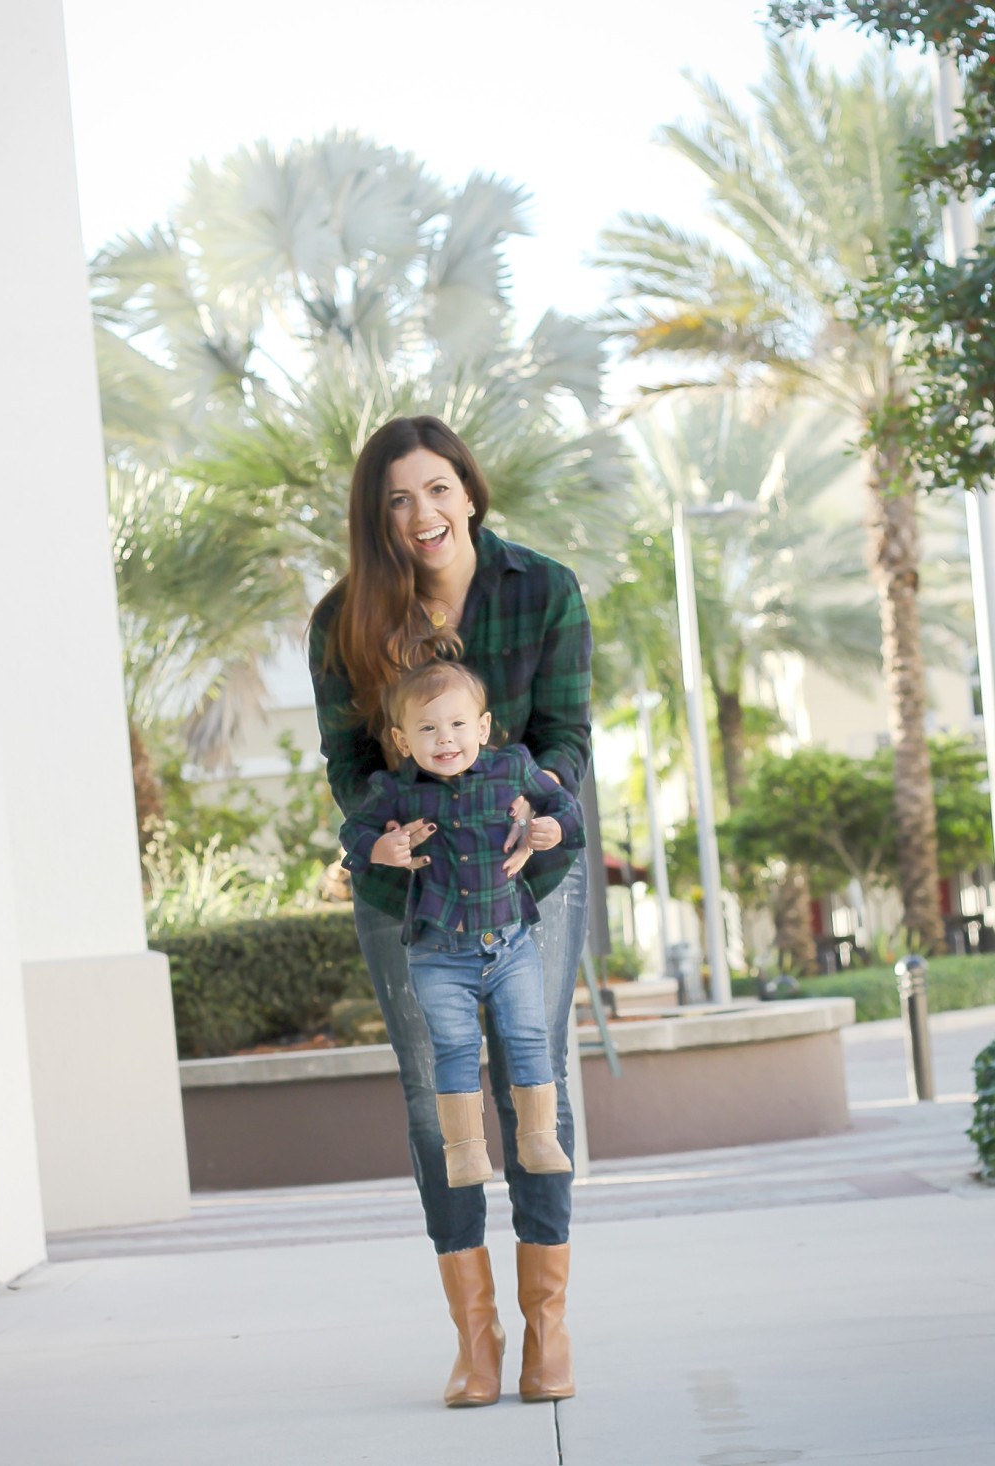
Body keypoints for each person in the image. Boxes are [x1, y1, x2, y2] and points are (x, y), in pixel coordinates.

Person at [308, 414, 591, 1409]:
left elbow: (567, 733)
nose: (419, 512)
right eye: (395, 497)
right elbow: (348, 771)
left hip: (530, 872)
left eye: (435, 487)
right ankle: (477, 1336)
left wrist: (534, 803)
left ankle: (548, 1327)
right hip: (412, 889)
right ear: (376, 517)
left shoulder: (543, 589)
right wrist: (381, 835)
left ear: (469, 490)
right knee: (437, 1101)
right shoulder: (345, 619)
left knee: (530, 1080)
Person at [339, 659, 585, 1189]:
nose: (444, 739)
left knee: (527, 1036)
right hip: (437, 951)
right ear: (403, 741)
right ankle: (465, 1149)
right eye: (427, 729)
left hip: (510, 944)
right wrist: (380, 847)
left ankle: (538, 1136)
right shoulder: (396, 792)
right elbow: (352, 832)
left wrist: (550, 828)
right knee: (452, 1048)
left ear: (483, 728)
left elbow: (565, 805)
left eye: (456, 725)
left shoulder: (514, 769)